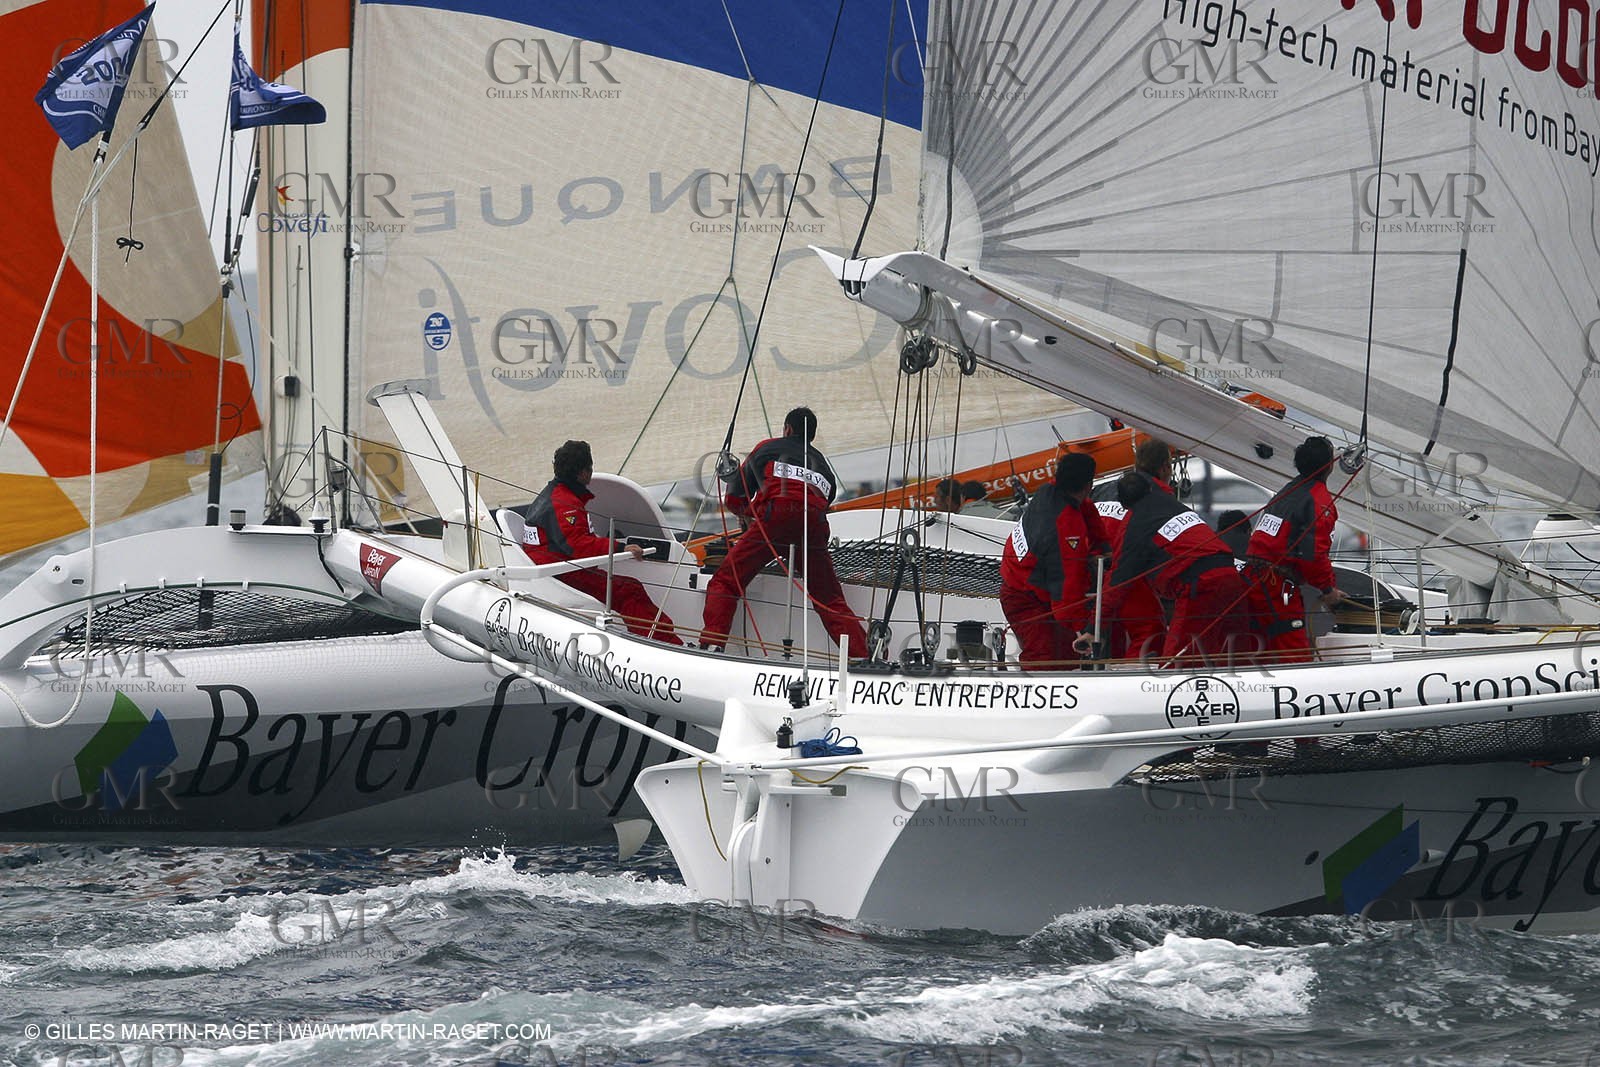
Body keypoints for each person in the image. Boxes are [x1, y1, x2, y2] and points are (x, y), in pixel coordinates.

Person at [702, 407, 869, 656]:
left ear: (787, 429)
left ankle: (713, 644)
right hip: (814, 526)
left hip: (777, 518)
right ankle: (863, 656)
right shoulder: (823, 466)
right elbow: (823, 502)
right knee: (829, 599)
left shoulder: (768, 448)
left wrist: (747, 514)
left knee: (726, 581)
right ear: (811, 437)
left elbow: (736, 497)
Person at [523, 440, 683, 644]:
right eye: (590, 468)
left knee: (627, 587)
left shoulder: (553, 494)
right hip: (561, 572)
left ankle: (657, 638)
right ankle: (665, 644)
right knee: (628, 590)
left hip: (551, 567)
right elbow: (578, 545)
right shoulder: (566, 503)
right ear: (582, 473)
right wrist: (619, 547)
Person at [1103, 471, 1258, 666]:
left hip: (1202, 588)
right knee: (1235, 659)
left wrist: (1094, 628)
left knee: (1176, 665)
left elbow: (1118, 582)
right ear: (1150, 489)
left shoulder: (1136, 527)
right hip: (1233, 579)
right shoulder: (1173, 505)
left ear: (1124, 505)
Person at [999, 453, 1108, 671]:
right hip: (1026, 599)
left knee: (1064, 654)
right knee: (1048, 659)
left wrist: (1102, 549)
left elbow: (1084, 508)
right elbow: (1067, 594)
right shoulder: (1067, 528)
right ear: (1088, 485)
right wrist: (1086, 629)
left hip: (1021, 583)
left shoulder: (1048, 491)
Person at [1244, 436, 1346, 663]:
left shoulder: (1287, 491)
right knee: (1293, 649)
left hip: (1251, 579)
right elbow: (1313, 556)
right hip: (1276, 585)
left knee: (1258, 647)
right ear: (1329, 466)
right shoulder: (1318, 501)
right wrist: (1328, 589)